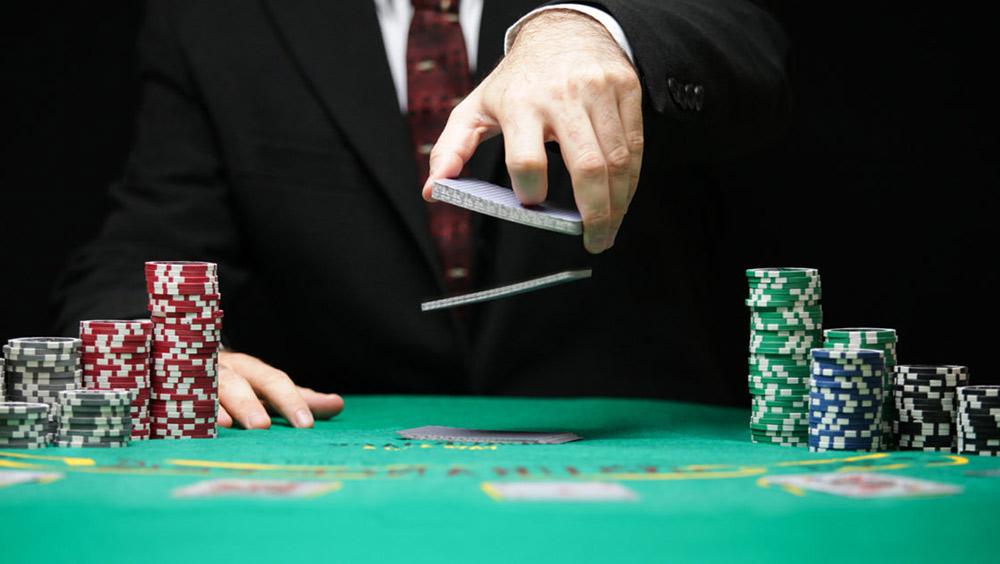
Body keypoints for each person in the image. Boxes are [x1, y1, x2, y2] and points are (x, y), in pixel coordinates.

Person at [53, 0, 790, 430]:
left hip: (650, 464)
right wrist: (169, 358)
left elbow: (752, 49)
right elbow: (143, 247)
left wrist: (590, 27)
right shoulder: (214, 20)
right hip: (344, 481)